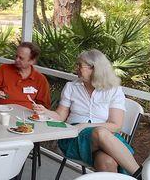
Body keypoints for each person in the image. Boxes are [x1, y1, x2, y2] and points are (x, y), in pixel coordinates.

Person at [33, 49, 141, 177]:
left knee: (107, 160)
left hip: (105, 139)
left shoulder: (113, 90)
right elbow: (60, 116)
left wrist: (85, 125)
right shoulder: (71, 87)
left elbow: (116, 126)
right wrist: (46, 112)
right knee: (100, 134)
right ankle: (140, 175)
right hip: (74, 138)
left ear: (94, 69)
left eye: (80, 65)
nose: (76, 68)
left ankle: (139, 175)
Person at [0, 42, 51, 109]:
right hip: (0, 111)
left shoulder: (40, 79)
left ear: (32, 61)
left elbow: (44, 107)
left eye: (21, 58)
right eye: (16, 56)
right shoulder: (4, 69)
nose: (16, 60)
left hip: (25, 116)